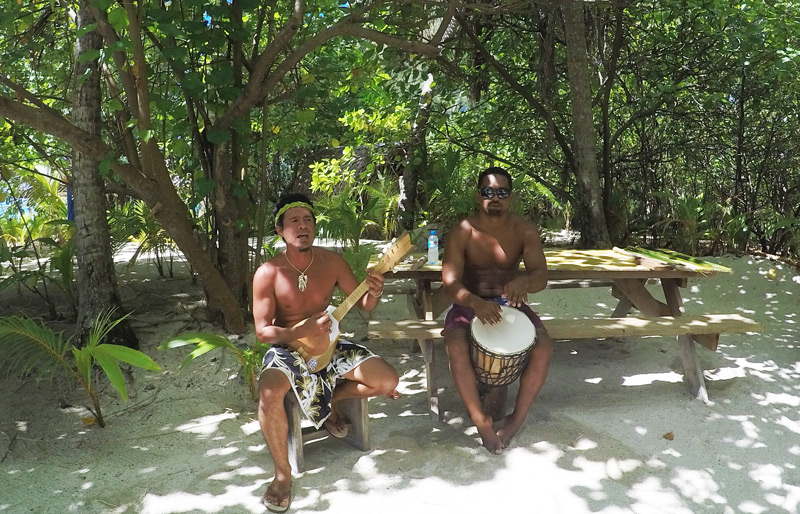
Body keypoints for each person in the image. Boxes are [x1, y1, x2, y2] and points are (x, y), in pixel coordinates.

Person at [253, 193, 399, 512]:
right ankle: (282, 475)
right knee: (268, 393)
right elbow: (263, 331)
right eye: (294, 221)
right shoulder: (268, 273)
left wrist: (373, 292)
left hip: (330, 346)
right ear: (280, 230)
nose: (302, 226)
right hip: (287, 348)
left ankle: (330, 401)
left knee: (387, 381)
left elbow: (364, 306)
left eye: (308, 220)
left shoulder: (332, 261)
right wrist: (298, 332)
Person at [441, 166, 553, 455]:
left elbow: (541, 275)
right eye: (488, 192)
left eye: (501, 192)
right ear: (478, 196)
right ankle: (481, 421)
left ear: (510, 197)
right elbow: (450, 281)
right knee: (455, 343)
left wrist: (525, 281)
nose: (495, 198)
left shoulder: (523, 230)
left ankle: (516, 420)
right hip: (470, 303)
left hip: (510, 306)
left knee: (543, 347)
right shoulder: (462, 230)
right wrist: (475, 303)